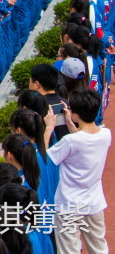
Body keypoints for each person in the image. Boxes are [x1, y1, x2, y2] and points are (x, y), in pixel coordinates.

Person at [43, 89, 110, 254]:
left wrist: (49, 127)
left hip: (69, 205)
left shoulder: (70, 141)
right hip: (94, 203)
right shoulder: (106, 134)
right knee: (99, 249)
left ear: (77, 114)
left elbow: (45, 157)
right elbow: (83, 142)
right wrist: (71, 124)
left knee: (69, 251)